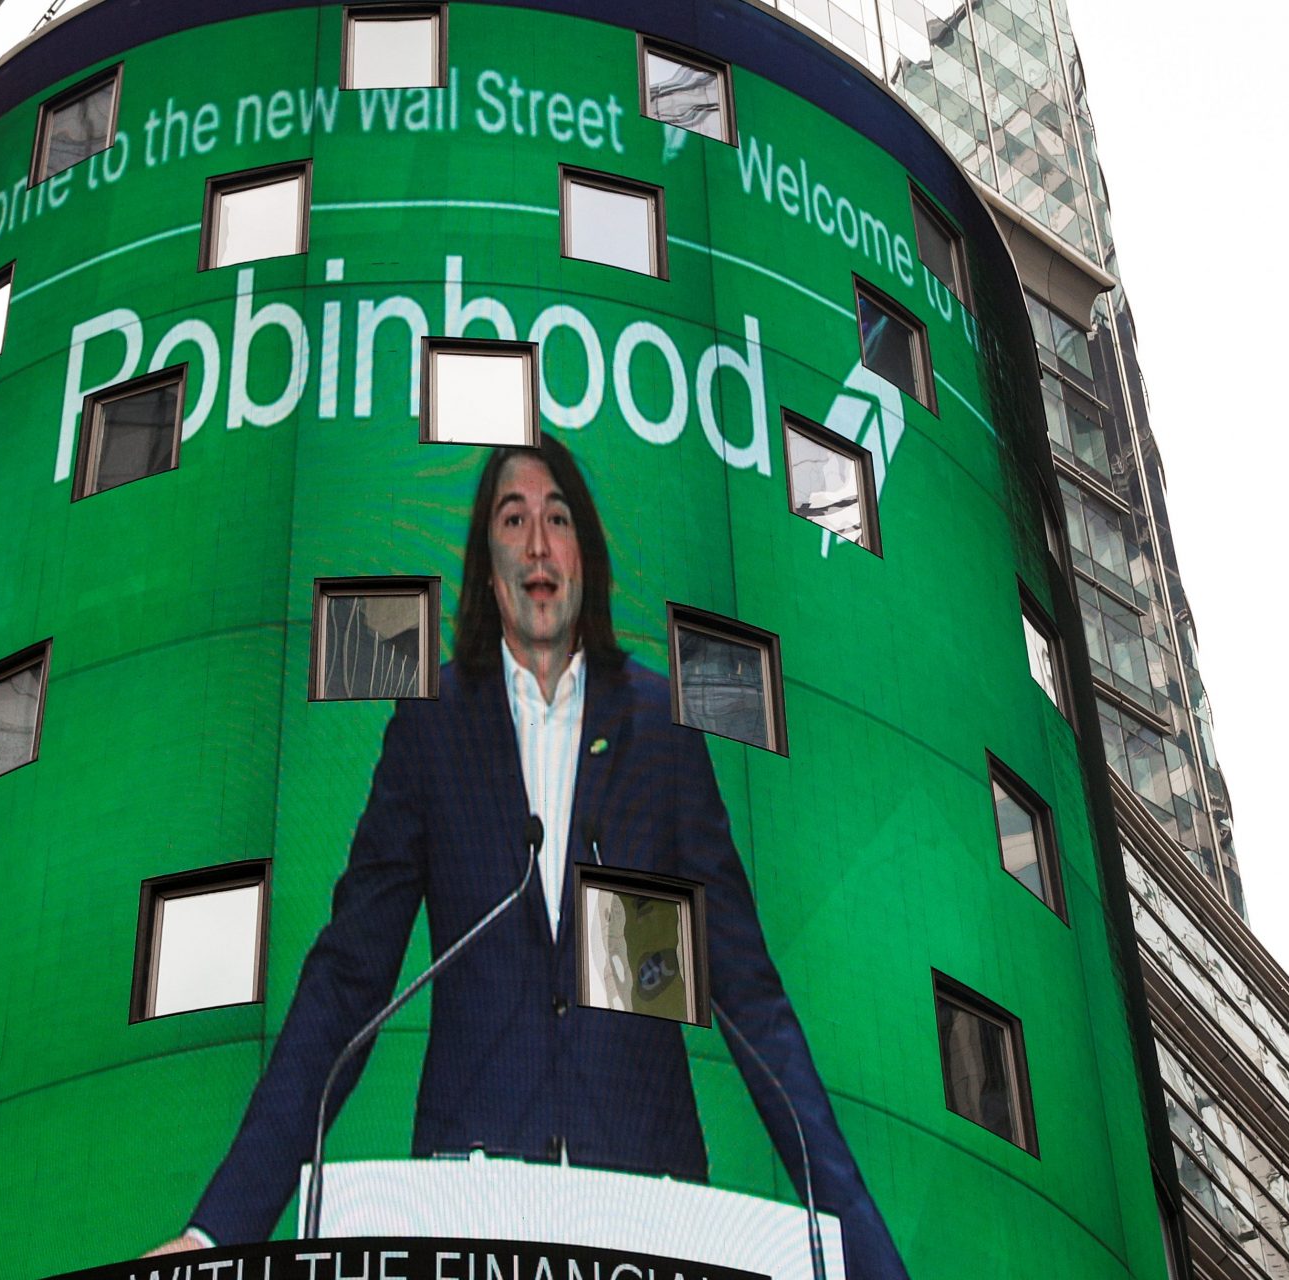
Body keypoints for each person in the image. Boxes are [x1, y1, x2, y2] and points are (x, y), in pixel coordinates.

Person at [147, 439, 906, 1280]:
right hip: (469, 1210)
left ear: (587, 554)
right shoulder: (432, 725)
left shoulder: (661, 728)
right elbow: (346, 984)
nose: (539, 544)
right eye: (515, 520)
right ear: (487, 562)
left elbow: (753, 1004)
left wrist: (867, 1259)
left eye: (559, 519)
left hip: (646, 1216)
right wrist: (220, 1231)